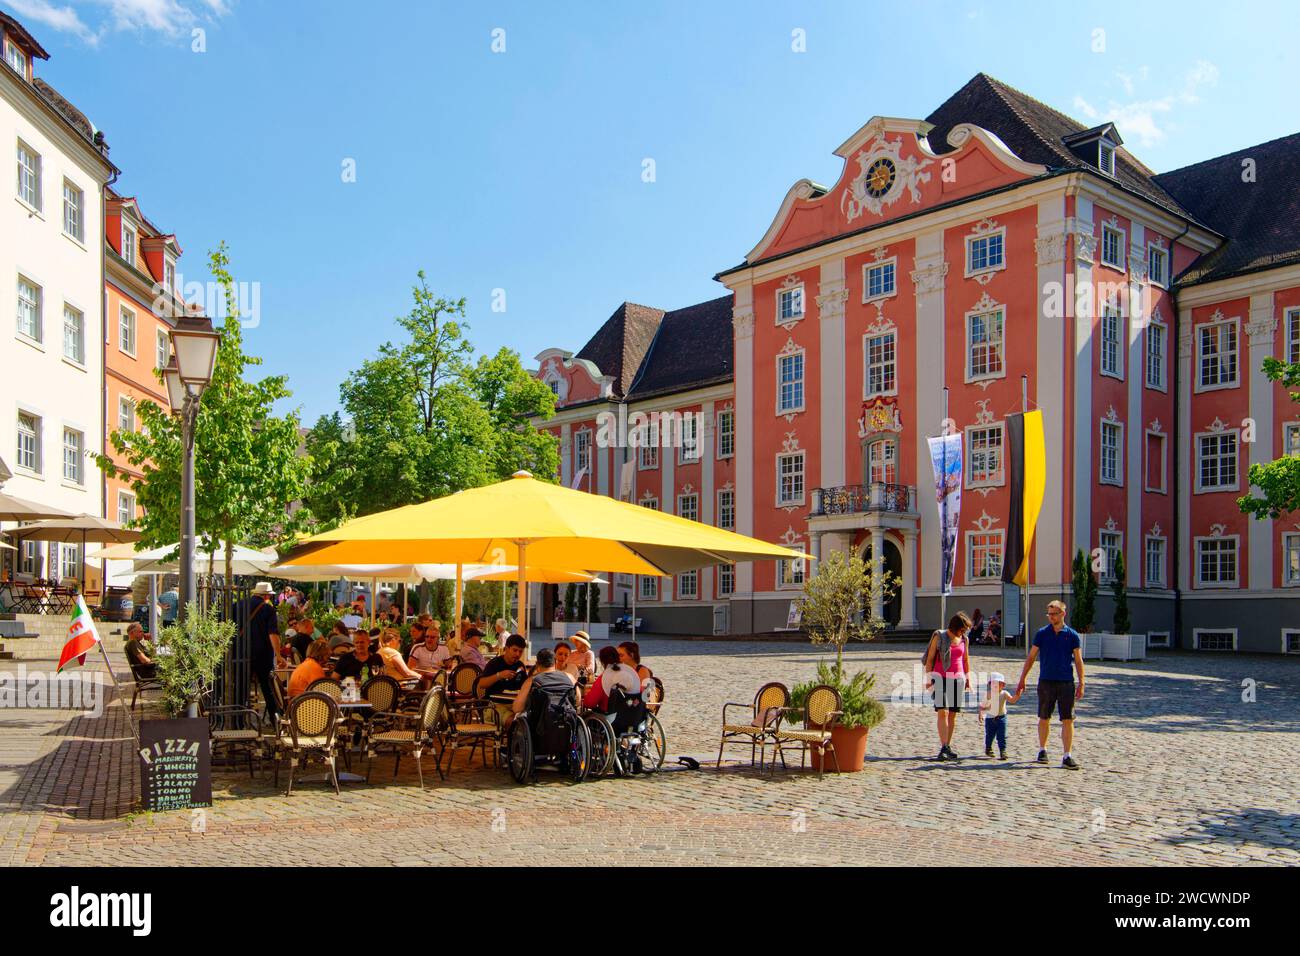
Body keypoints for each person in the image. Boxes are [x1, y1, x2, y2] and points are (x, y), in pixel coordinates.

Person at [1015, 600, 1085, 770]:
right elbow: (1031, 657)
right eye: (1049, 614)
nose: (1051, 617)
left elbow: (1078, 660)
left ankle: (1067, 755)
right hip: (1046, 680)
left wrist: (1082, 682)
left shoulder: (1072, 635)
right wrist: (1023, 678)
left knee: (1068, 719)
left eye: (1054, 614)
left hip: (1066, 682)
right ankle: (1042, 750)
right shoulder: (1042, 634)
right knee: (1044, 717)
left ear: (1063, 614)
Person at [923, 611, 973, 761]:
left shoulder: (964, 639)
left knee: (952, 713)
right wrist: (928, 678)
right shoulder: (939, 636)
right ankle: (943, 746)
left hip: (957, 679)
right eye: (963, 629)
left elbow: (965, 660)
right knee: (942, 711)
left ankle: (948, 746)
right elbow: (930, 659)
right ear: (956, 627)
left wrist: (968, 677)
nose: (964, 632)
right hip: (940, 677)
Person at [241, 582, 281, 721]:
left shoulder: (239, 605)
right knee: (267, 687)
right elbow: (273, 634)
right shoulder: (268, 609)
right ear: (266, 595)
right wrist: (279, 655)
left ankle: (239, 719)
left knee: (242, 687)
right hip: (263, 654)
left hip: (241, 653)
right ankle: (274, 718)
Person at [511, 648, 577, 730]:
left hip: (540, 727)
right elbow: (577, 700)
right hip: (566, 723)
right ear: (555, 662)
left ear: (537, 664)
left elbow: (517, 708)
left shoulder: (532, 681)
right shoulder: (570, 677)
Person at [582, 644, 641, 713]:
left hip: (610, 718)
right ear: (618, 657)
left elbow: (589, 703)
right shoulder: (631, 674)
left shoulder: (603, 679)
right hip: (632, 715)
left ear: (602, 662)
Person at [978, 671, 1021, 760]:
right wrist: (981, 714)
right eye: (994, 684)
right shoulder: (988, 694)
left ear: (1003, 685)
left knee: (1002, 735)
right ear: (990, 684)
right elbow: (982, 705)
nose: (996, 686)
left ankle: (1003, 751)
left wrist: (1017, 695)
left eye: (999, 684)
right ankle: (988, 748)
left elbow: (1012, 700)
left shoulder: (1004, 693)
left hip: (1002, 718)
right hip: (990, 719)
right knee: (989, 735)